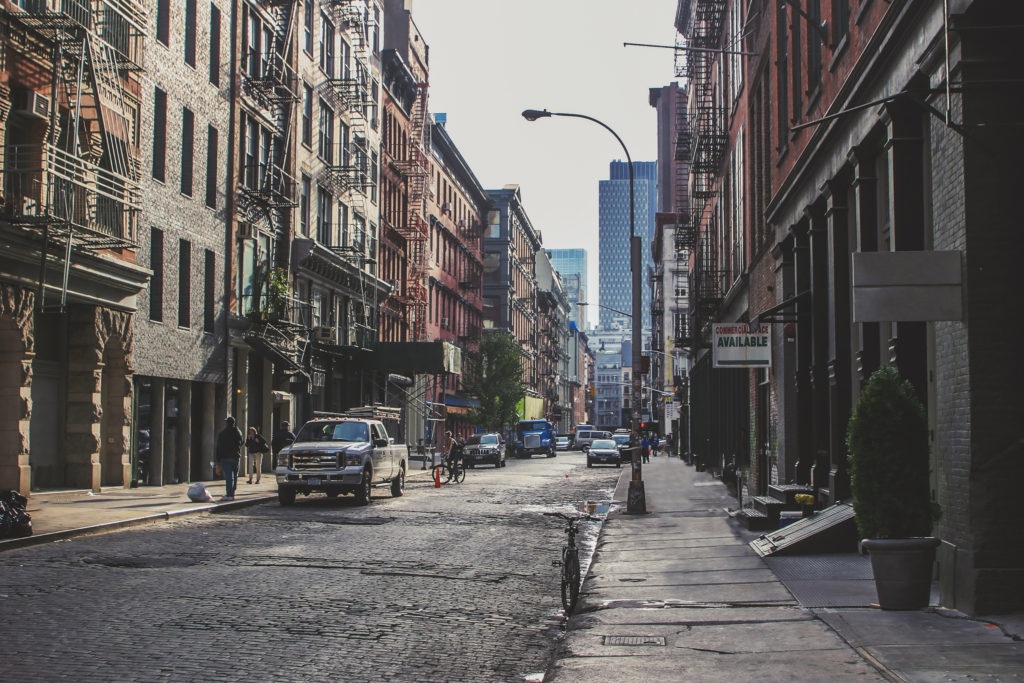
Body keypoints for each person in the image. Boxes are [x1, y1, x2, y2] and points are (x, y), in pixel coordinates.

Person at [215, 416, 244, 501]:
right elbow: (241, 442)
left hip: (226, 457)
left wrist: (218, 460)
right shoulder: (238, 432)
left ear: (227, 423)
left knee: (229, 476)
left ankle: (229, 494)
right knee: (234, 476)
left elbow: (219, 447)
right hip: (236, 457)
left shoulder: (223, 433)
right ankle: (232, 493)